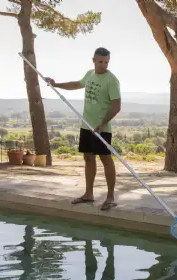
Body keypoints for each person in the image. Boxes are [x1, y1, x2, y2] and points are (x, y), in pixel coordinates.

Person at [45, 47, 121, 211]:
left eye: (106, 62)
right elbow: (76, 84)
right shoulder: (89, 74)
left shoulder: (112, 80)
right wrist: (56, 84)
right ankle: (88, 194)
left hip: (102, 128)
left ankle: (110, 197)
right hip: (86, 125)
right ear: (93, 60)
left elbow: (116, 106)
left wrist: (103, 123)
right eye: (100, 61)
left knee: (106, 160)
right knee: (88, 157)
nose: (103, 65)